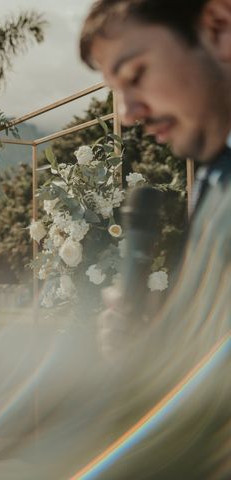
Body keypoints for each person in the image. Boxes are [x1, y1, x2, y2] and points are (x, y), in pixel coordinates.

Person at [62, 1, 231, 477]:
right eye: (115, 90)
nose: (128, 114)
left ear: (218, 28)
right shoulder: (213, 174)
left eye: (135, 75)